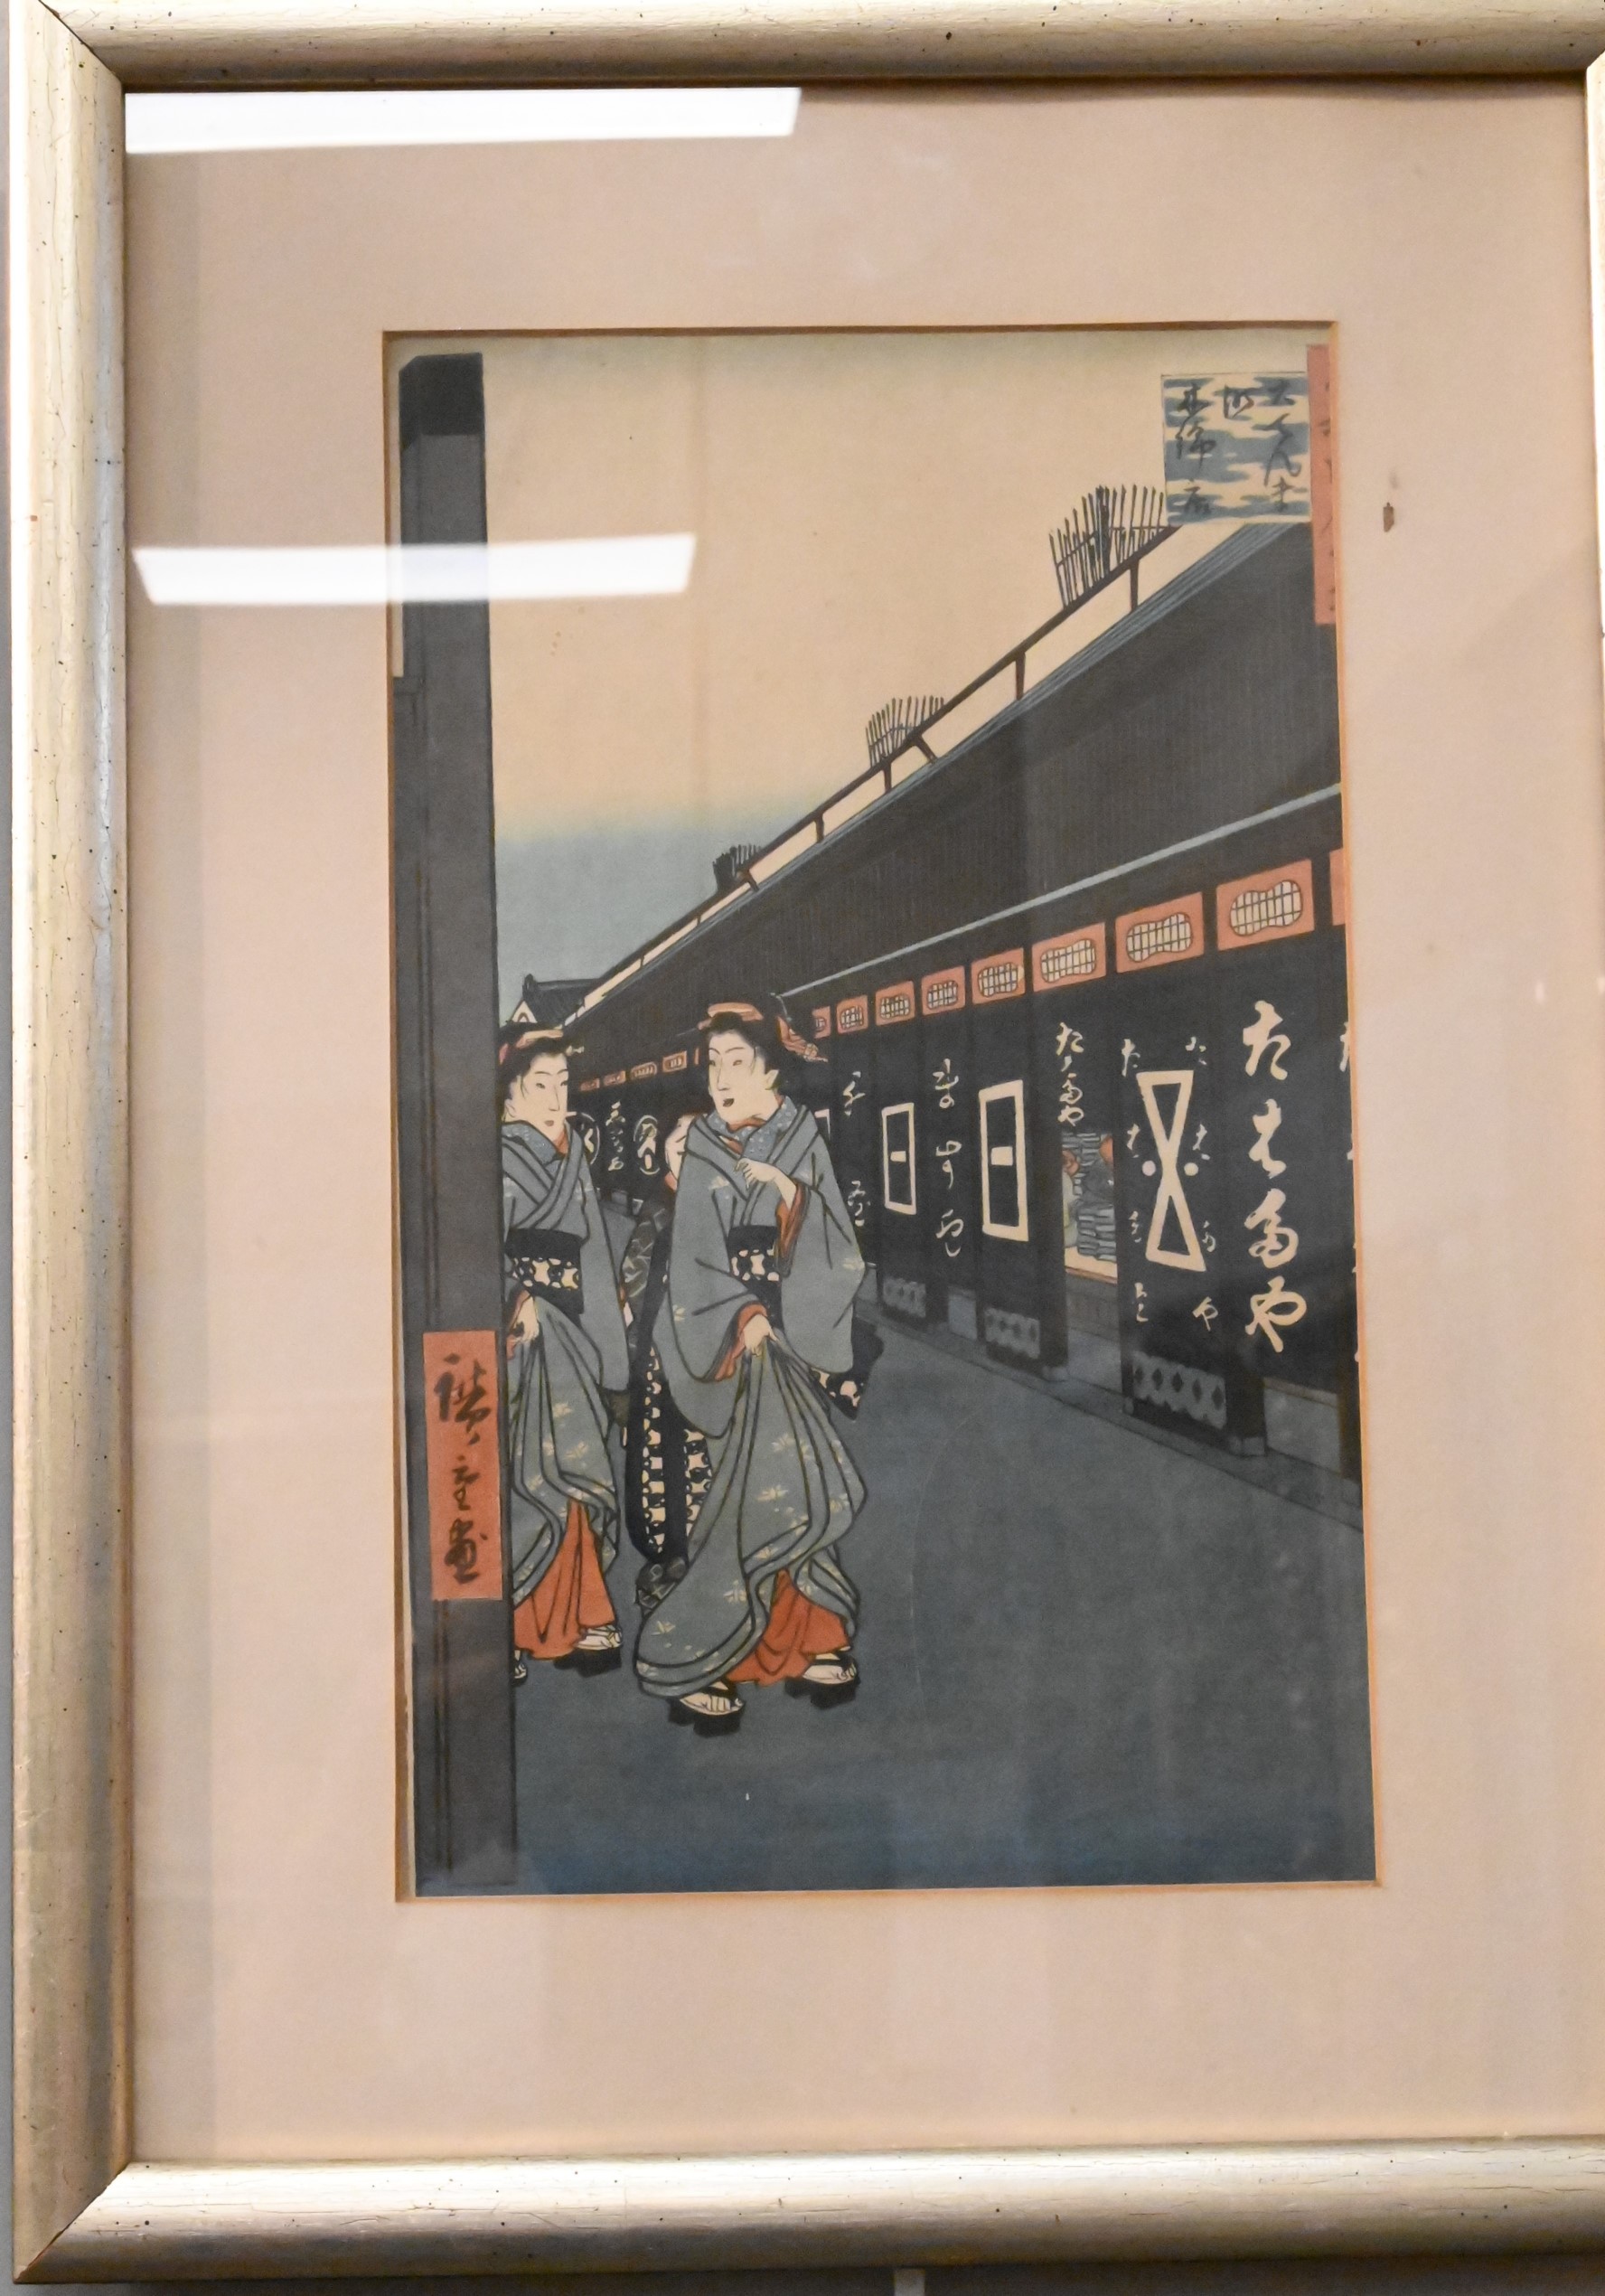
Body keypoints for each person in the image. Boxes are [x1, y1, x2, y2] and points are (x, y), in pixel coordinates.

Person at [634, 998, 868, 1730]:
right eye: (714, 1065)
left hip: (790, 1332)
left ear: (770, 1070)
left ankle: (811, 1635)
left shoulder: (803, 1138)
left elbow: (840, 1249)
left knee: (794, 1478)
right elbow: (692, 1258)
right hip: (722, 1338)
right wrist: (742, 1316)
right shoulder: (703, 1143)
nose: (723, 1079)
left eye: (738, 1063)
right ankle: (714, 1653)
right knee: (726, 1495)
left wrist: (791, 1193)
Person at [500, 1024, 630, 1680]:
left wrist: (615, 1358)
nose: (556, 1099)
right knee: (528, 1482)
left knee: (581, 1473)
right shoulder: (491, 1156)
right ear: (510, 1094)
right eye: (539, 1085)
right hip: (522, 1341)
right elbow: (474, 1249)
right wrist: (514, 1298)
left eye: (563, 1084)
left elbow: (595, 1257)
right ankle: (512, 1626)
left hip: (574, 1336)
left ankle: (586, 1613)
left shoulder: (574, 1152)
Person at [618, 1080, 712, 1615]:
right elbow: (632, 1285)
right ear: (664, 1147)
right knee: (659, 1458)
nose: (690, 1148)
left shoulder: (723, 1205)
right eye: (681, 1139)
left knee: (705, 1459)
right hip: (657, 1358)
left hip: (710, 1358)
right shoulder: (659, 1208)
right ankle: (665, 1557)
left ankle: (702, 1563)